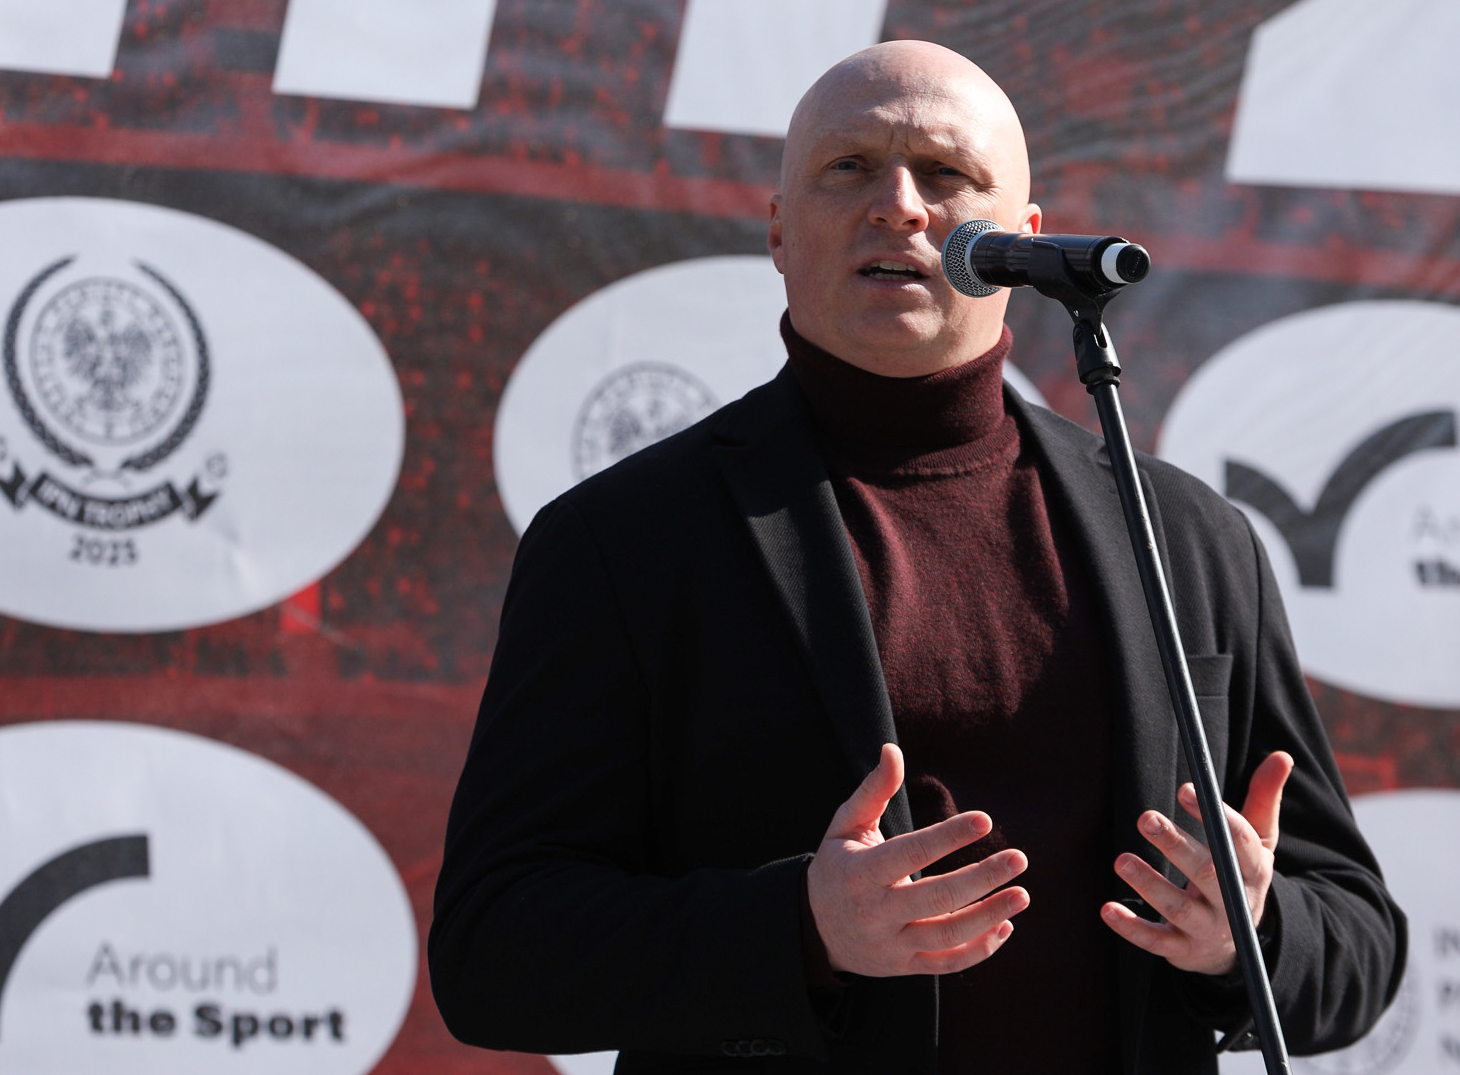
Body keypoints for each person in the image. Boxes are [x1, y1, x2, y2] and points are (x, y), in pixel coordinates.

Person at [429, 40, 1405, 1074]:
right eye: (848, 167)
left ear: (1023, 240)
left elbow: (1357, 941)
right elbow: (493, 951)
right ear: (777, 229)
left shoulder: (1185, 535)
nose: (897, 206)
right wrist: (798, 927)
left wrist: (1243, 933)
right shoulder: (622, 539)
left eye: (945, 173)